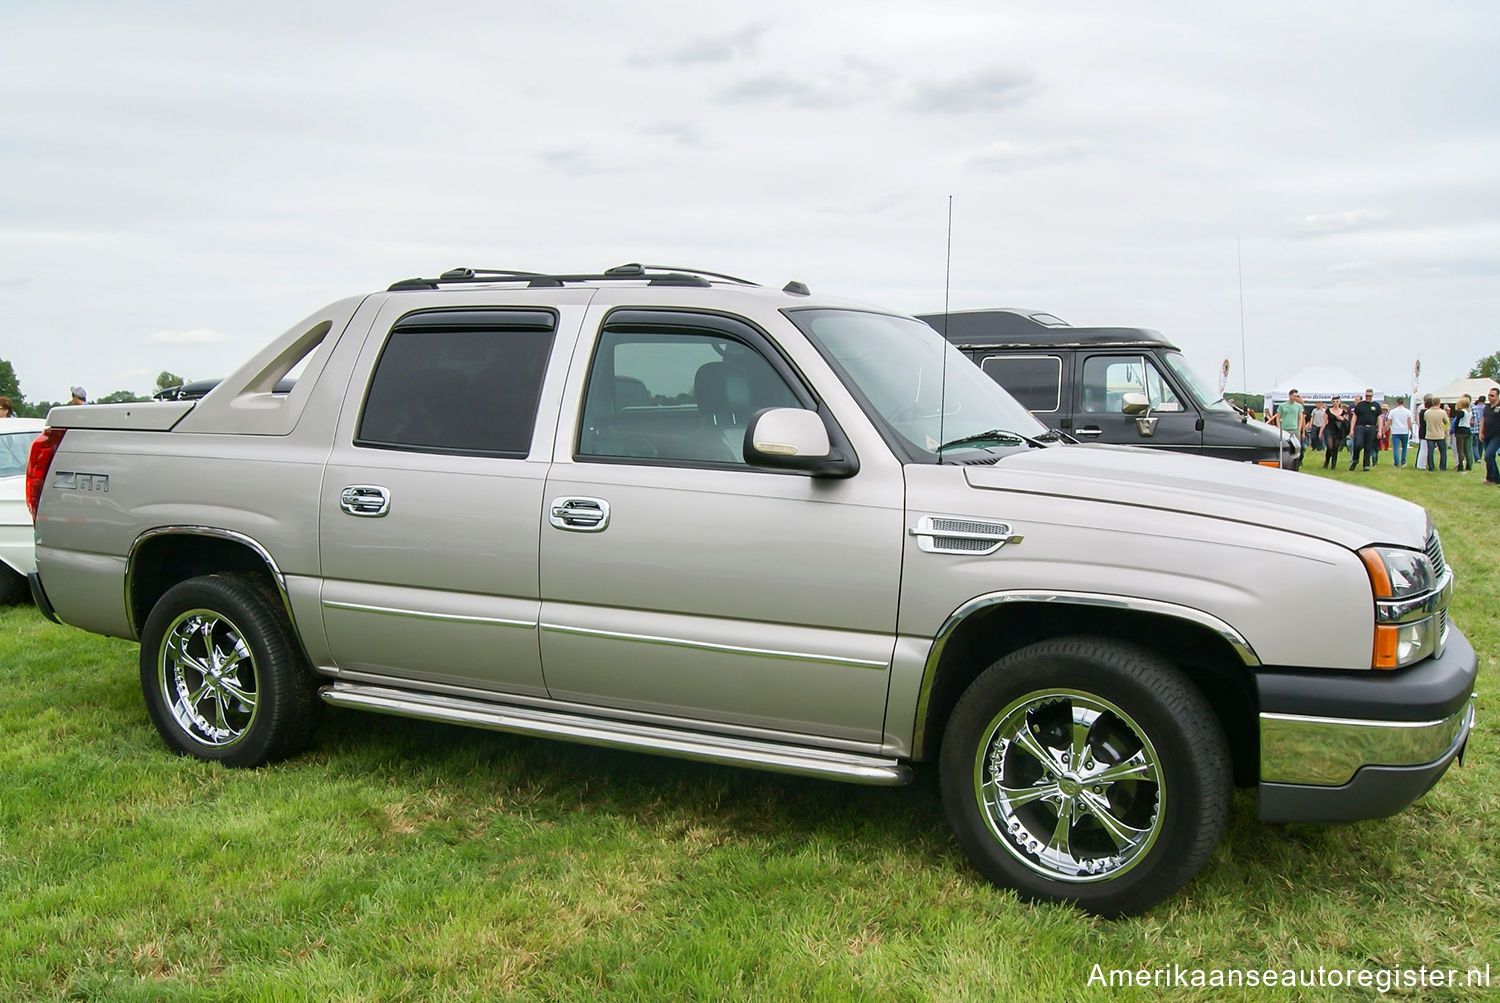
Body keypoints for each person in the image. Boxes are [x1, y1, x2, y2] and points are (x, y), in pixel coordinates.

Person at [1347, 388, 1382, 471]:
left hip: (1371, 427)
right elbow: (1354, 417)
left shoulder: (1376, 405)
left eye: (1369, 396)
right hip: (1360, 427)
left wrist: (1380, 431)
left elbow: (1379, 418)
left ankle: (1366, 464)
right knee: (1358, 444)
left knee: (1368, 446)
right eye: (1366, 396)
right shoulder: (1360, 405)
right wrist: (1351, 429)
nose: (1368, 397)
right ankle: (1355, 459)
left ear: (1372, 396)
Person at [1421, 396, 1448, 472]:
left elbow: (1425, 420)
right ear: (1439, 403)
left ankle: (1431, 467)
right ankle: (1442, 467)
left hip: (1430, 434)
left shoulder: (1427, 412)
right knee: (1443, 452)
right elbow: (1446, 421)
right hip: (1440, 434)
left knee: (1430, 452)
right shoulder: (1442, 412)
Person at [1322, 397, 1349, 469]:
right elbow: (1324, 422)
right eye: (1334, 401)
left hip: (1338, 431)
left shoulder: (1343, 412)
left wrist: (1342, 419)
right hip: (1329, 430)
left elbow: (1347, 423)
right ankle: (1327, 461)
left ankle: (1333, 464)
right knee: (1330, 447)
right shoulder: (1328, 411)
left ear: (1339, 402)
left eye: (1337, 401)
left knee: (1335, 447)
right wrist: (1321, 432)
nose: (1335, 403)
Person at [1387, 397, 1413, 467]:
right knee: (1404, 447)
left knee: (1396, 448)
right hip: (1404, 431)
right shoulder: (1407, 411)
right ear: (1403, 403)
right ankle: (1403, 462)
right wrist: (1411, 431)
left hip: (1395, 431)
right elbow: (1409, 422)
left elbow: (1389, 421)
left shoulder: (1392, 411)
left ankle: (1396, 463)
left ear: (1397, 403)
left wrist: (1385, 429)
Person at [1483, 388, 1500, 485]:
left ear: (1497, 396)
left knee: (1488, 455)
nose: (1489, 397)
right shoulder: (1487, 407)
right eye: (1489, 395)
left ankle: (1494, 478)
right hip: (1487, 434)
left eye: (1492, 395)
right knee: (1490, 457)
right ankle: (1491, 478)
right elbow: (1483, 420)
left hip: (1497, 435)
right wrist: (1481, 432)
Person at [1453, 395, 1473, 472]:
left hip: (1461, 431)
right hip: (1468, 430)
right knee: (1467, 449)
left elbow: (1457, 422)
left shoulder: (1461, 412)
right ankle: (1469, 465)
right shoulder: (1469, 411)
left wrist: (1455, 431)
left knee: (1460, 450)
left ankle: (1460, 466)